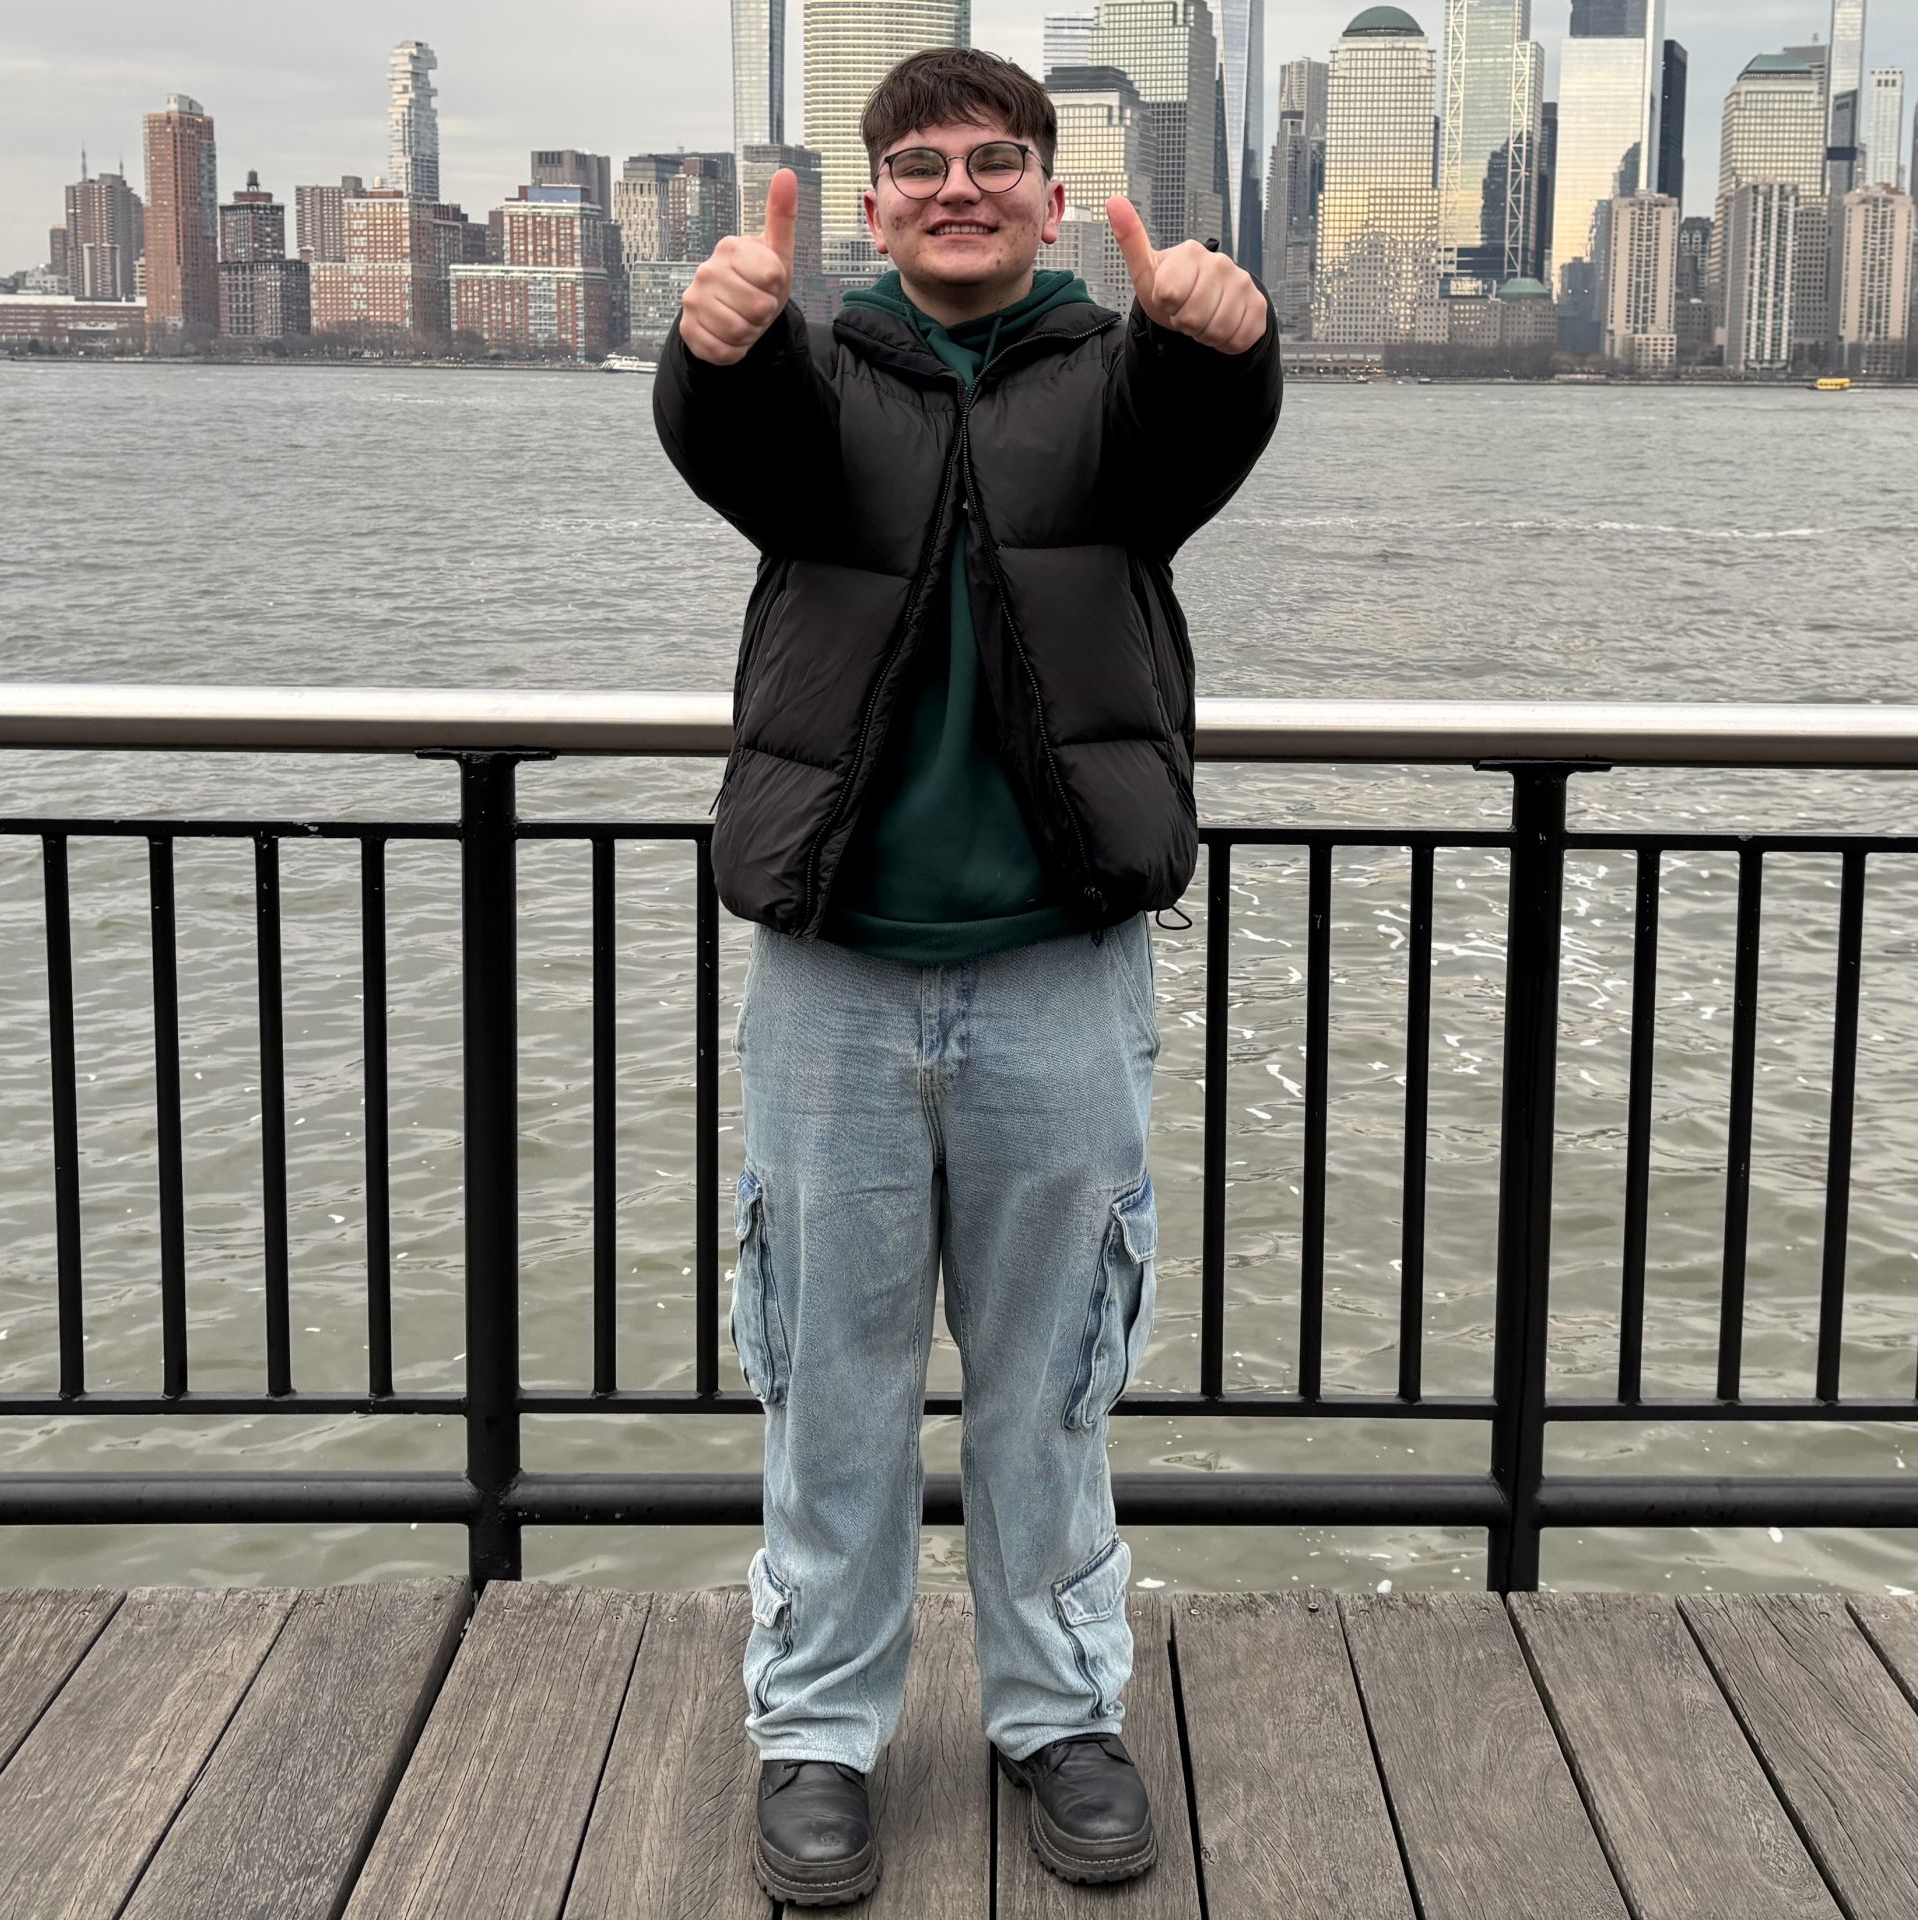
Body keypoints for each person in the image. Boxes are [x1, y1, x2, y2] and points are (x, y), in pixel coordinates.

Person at [653, 45, 1282, 1908]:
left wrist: (1227, 339)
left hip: (1060, 969)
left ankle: (1060, 1712)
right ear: (872, 206)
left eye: (994, 160)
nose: (957, 186)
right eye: (920, 162)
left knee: (1052, 1379)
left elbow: (1201, 427)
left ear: (1050, 192)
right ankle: (817, 1731)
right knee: (826, 1381)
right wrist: (715, 343)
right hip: (835, 974)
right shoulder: (819, 383)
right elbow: (732, 438)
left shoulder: (1111, 384)